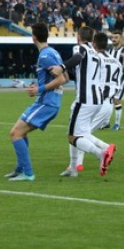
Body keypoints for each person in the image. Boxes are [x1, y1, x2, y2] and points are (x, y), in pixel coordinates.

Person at [50, 27, 116, 178]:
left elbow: (78, 57)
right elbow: (81, 71)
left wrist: (62, 67)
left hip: (85, 99)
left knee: (72, 136)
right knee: (83, 133)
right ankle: (73, 168)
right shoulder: (97, 54)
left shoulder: (81, 48)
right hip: (97, 100)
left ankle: (101, 153)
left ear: (78, 36)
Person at [4, 23, 66, 182]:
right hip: (46, 101)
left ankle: (28, 173)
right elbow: (62, 77)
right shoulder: (53, 52)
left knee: (15, 133)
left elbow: (61, 79)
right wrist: (38, 87)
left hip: (47, 103)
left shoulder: (45, 56)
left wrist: (39, 89)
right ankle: (20, 169)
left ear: (34, 37)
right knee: (20, 132)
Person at [108, 30, 124, 130]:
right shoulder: (109, 51)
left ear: (120, 38)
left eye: (116, 37)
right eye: (112, 37)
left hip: (121, 81)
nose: (113, 39)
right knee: (108, 101)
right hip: (110, 81)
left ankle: (117, 124)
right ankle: (106, 122)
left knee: (116, 101)